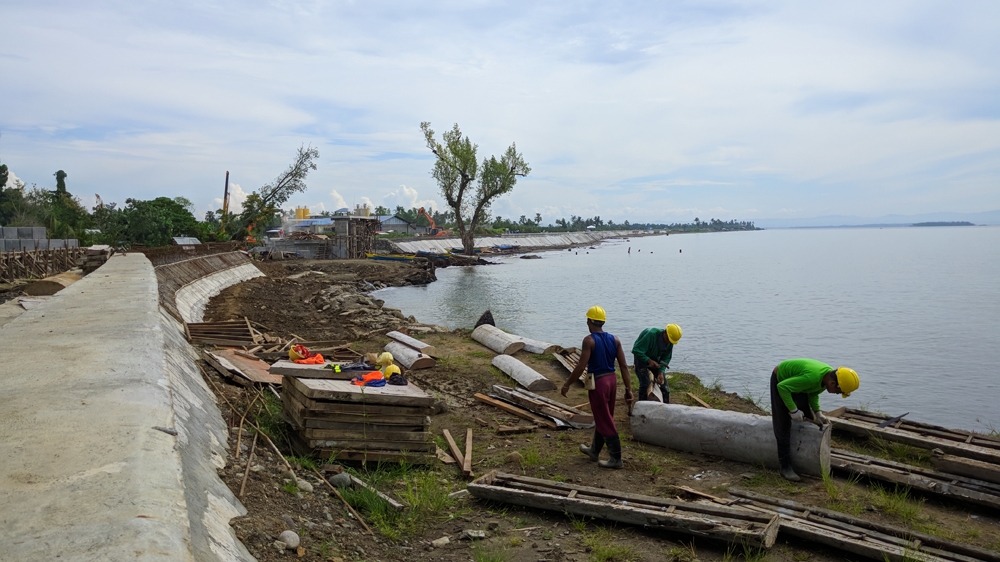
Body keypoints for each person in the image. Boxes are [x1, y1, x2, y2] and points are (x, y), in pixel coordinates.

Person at [561, 305, 634, 469]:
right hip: (611, 381)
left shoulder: (589, 340)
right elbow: (623, 366)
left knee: (605, 419)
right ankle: (594, 451)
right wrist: (628, 389)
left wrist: (567, 384)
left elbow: (581, 366)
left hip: (599, 383)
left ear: (589, 321)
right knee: (604, 416)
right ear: (602, 322)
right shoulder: (615, 339)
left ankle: (616, 459)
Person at [771, 358, 860, 481]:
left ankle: (803, 458)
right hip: (781, 380)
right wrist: (793, 410)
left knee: (808, 416)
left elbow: (812, 392)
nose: (836, 394)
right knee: (783, 426)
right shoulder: (811, 378)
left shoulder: (826, 377)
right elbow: (783, 387)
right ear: (833, 383)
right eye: (839, 392)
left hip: (797, 383)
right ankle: (785, 468)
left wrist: (818, 413)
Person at [631, 324, 682, 403]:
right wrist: (648, 360)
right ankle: (641, 407)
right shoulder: (651, 335)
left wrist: (661, 372)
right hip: (641, 356)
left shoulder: (670, 342)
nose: (668, 342)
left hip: (655, 357)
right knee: (645, 383)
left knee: (665, 387)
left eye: (671, 341)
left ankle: (666, 407)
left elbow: (666, 357)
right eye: (668, 339)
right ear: (665, 332)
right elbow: (636, 350)